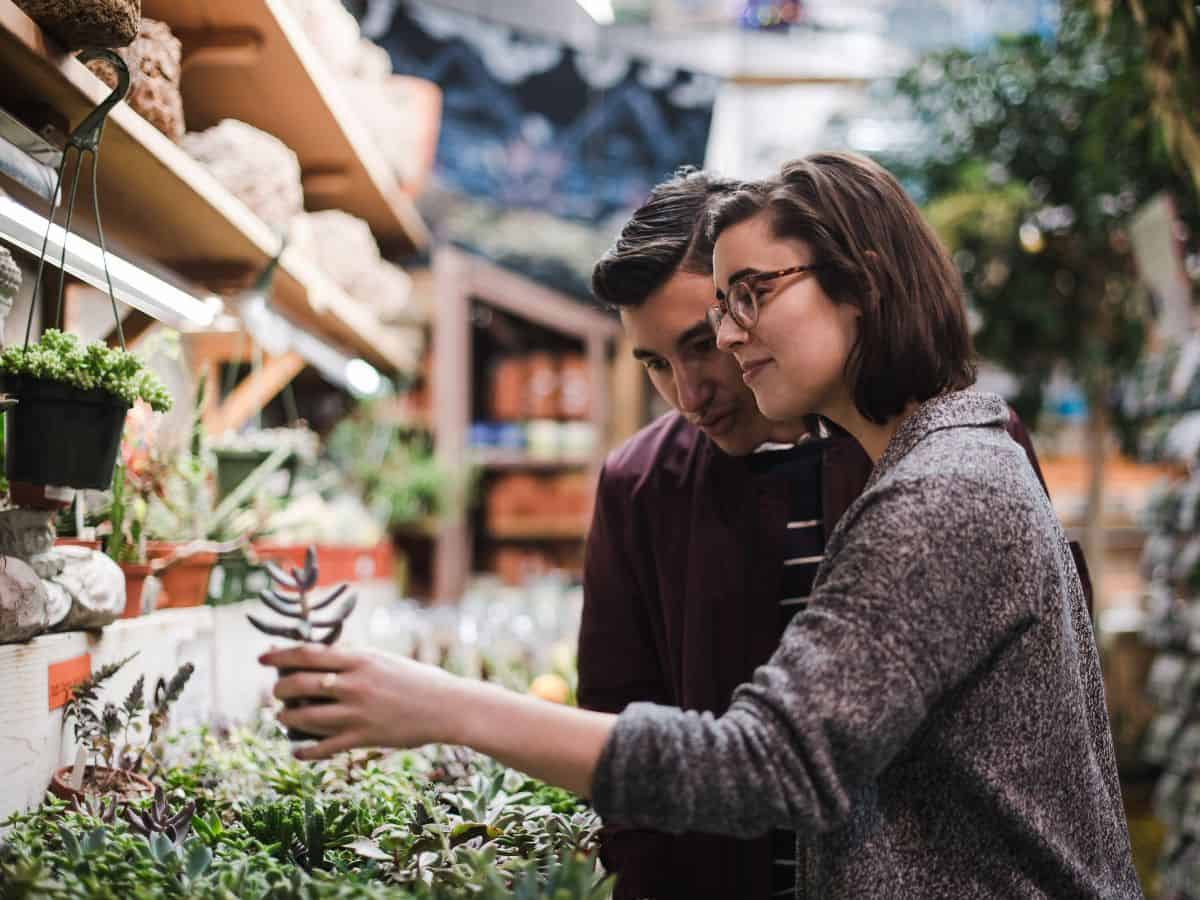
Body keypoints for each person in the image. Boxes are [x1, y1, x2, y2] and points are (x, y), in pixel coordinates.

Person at [262, 153, 1138, 899]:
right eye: (719, 313)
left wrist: (444, 705)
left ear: (861, 283)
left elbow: (765, 763)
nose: (723, 350)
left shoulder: (940, 486)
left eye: (745, 301)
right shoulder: (667, 484)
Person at [578, 167, 1086, 900]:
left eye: (706, 338)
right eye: (656, 363)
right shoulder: (642, 485)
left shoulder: (945, 462)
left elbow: (1040, 708)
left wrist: (451, 708)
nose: (689, 394)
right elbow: (620, 723)